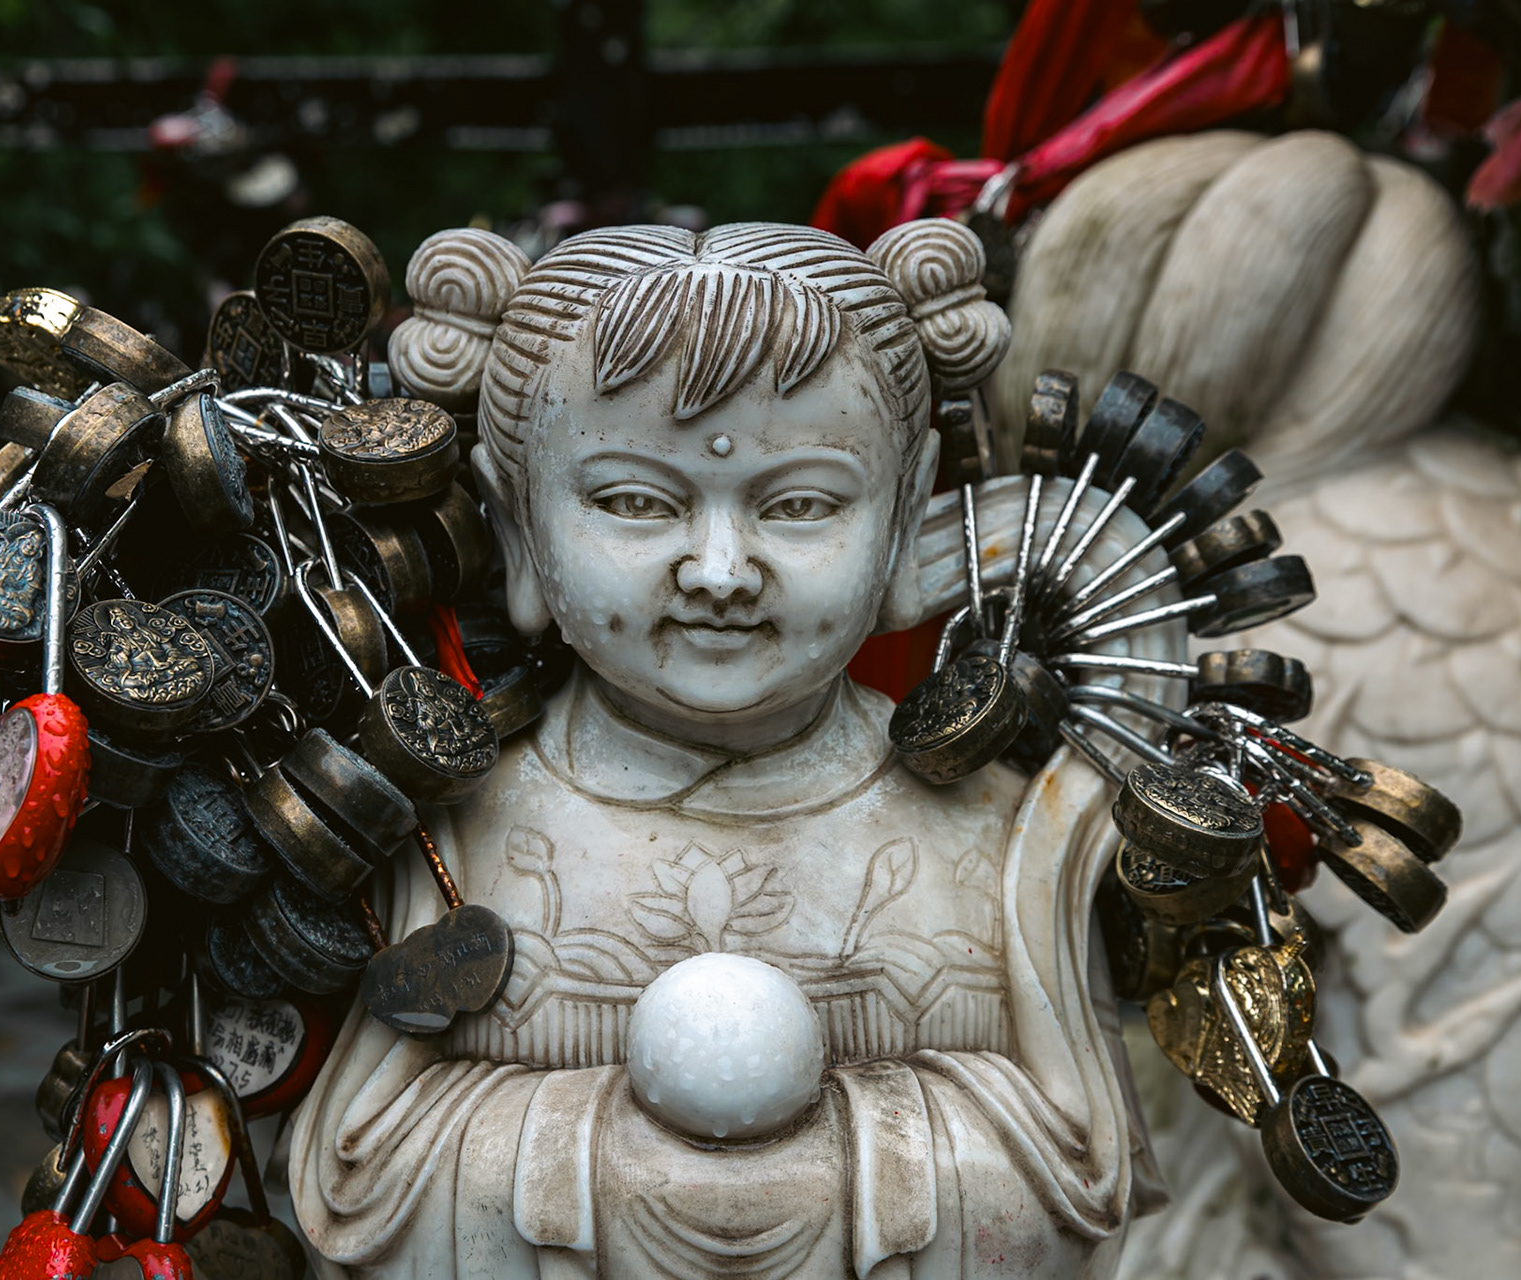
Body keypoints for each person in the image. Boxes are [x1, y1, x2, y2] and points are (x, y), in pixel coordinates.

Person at [290, 219, 1162, 1278]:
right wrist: (636, 1164)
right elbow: (351, 1178)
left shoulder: (1001, 836)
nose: (717, 568)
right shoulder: (442, 828)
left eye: (798, 503)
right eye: (632, 501)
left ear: (900, 522)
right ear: (515, 523)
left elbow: (1081, 1177)